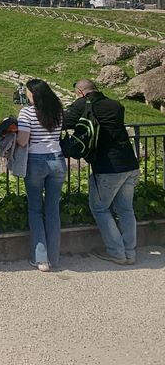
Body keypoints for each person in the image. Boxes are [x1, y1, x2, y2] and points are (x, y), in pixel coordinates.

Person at [65, 78, 139, 265]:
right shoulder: (115, 105)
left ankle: (117, 253)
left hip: (108, 166)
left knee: (100, 208)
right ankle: (130, 253)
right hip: (130, 162)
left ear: (80, 92)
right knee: (125, 209)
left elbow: (65, 122)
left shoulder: (83, 104)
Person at [15, 79, 65, 271]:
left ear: (33, 94)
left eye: (27, 92)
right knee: (53, 209)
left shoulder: (27, 112)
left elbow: (23, 140)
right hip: (57, 160)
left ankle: (41, 258)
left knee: (35, 209)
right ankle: (54, 257)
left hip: (36, 160)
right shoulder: (57, 111)